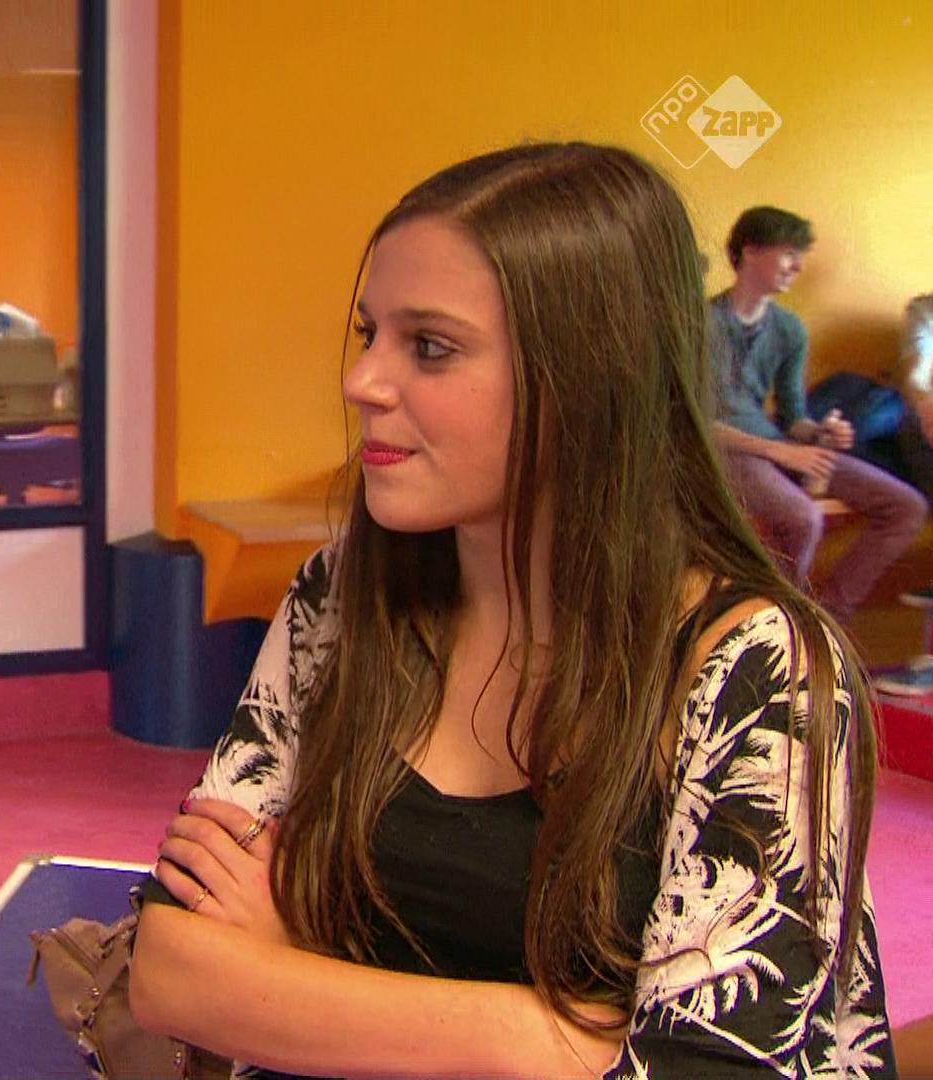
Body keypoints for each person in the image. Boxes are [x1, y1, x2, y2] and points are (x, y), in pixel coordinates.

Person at [127, 145, 894, 1077]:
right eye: (370, 334)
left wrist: (296, 968)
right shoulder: (341, 595)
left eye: (430, 347)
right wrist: (541, 1035)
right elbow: (171, 969)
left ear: (588, 376)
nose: (362, 381)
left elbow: (708, 1066)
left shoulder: (756, 666)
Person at [707, 206, 925, 621]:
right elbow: (693, 422)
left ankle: (826, 617)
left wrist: (821, 433)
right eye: (789, 253)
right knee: (803, 518)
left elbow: (793, 417)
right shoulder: (701, 323)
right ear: (751, 252)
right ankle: (772, 622)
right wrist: (780, 451)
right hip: (726, 450)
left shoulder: (789, 329)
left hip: (776, 445)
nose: (798, 266)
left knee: (906, 507)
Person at [876, 292, 933, 696]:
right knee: (915, 420)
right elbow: (916, 371)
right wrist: (928, 403)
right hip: (924, 425)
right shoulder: (924, 312)